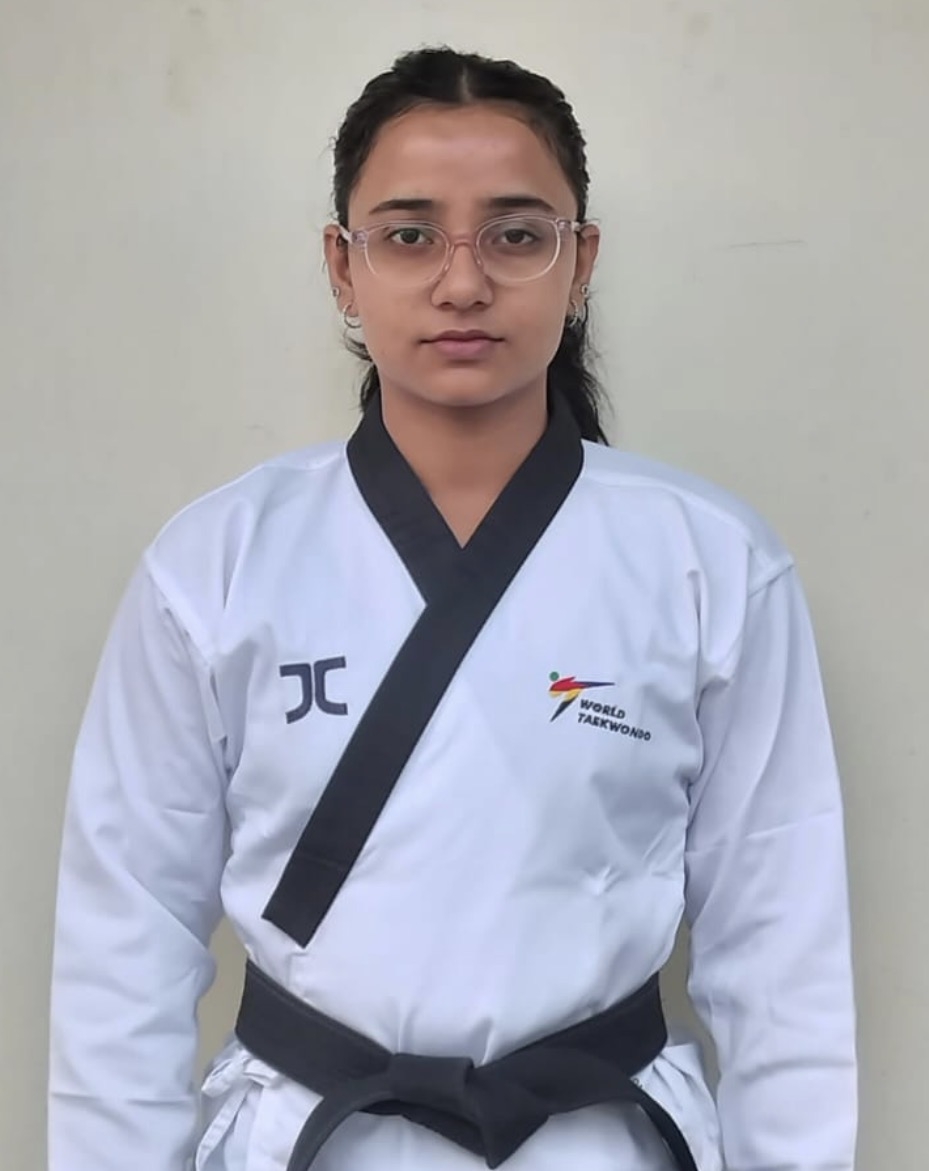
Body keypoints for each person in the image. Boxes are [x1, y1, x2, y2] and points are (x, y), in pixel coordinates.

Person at [48, 46, 858, 1171]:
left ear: (580, 262)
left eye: (516, 235)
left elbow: (781, 946)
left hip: (598, 1143)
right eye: (409, 234)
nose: (463, 282)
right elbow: (122, 938)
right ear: (342, 265)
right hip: (311, 1137)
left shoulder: (708, 561)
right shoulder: (218, 563)